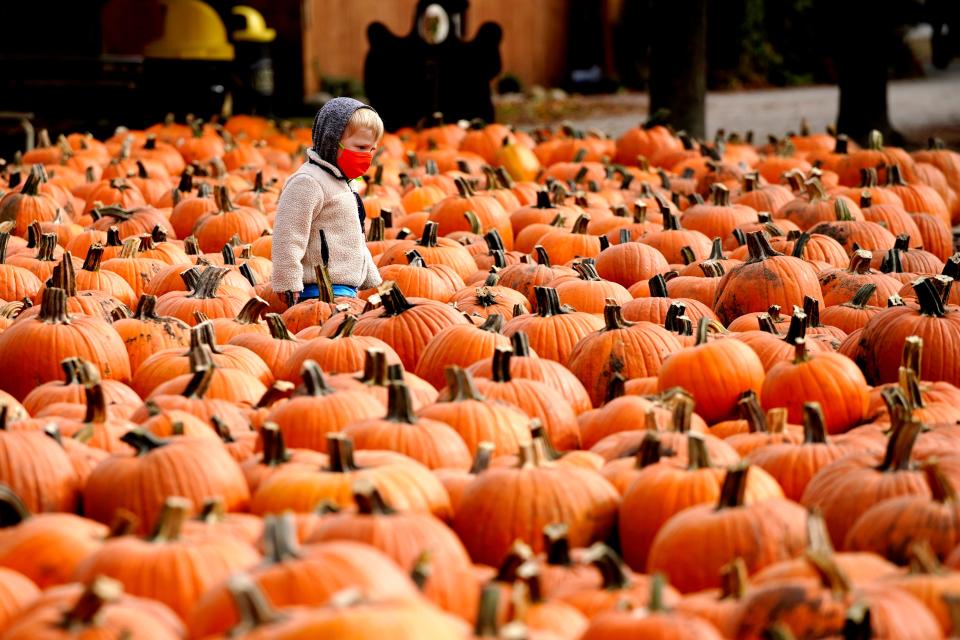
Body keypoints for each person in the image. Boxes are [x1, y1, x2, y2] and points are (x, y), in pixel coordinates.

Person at [272, 97, 383, 304]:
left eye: (371, 150)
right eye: (360, 147)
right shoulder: (308, 182)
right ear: (332, 142)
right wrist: (287, 280)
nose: (367, 156)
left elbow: (353, 236)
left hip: (346, 290)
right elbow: (288, 233)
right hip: (316, 291)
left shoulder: (346, 182)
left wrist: (370, 276)